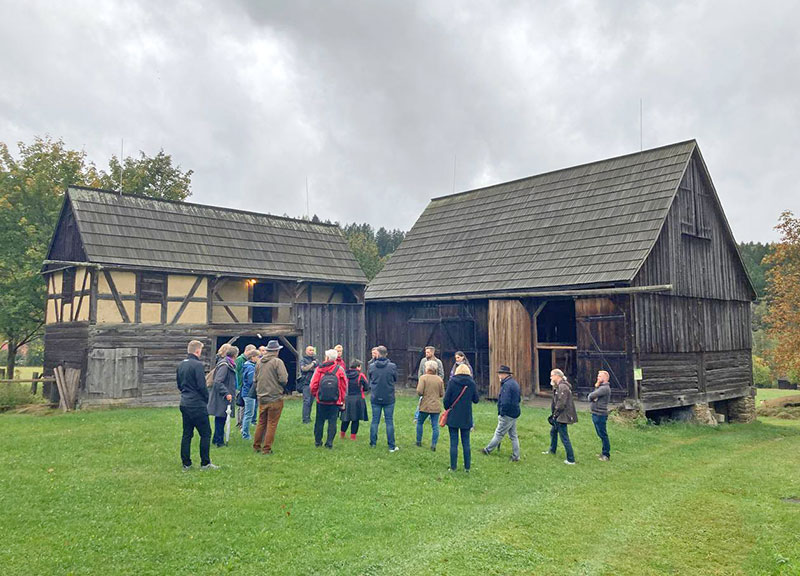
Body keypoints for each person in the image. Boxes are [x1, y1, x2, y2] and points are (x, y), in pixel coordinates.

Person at [177, 340, 217, 470]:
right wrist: (206, 398)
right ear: (198, 351)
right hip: (197, 403)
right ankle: (205, 462)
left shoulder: (181, 365)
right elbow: (202, 386)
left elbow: (179, 384)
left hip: (184, 402)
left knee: (187, 434)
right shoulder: (198, 365)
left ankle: (186, 463)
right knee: (205, 433)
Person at [253, 340, 288, 455]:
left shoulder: (259, 362)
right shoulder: (277, 362)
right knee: (272, 423)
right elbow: (283, 379)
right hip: (275, 397)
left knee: (261, 422)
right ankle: (267, 449)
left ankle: (256, 446)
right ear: (276, 351)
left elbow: (255, 379)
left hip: (262, 397)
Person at [443, 364, 480, 472]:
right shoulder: (471, 383)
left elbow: (446, 400)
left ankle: (453, 466)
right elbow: (476, 399)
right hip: (466, 416)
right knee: (466, 442)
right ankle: (467, 467)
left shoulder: (452, 382)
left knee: (453, 442)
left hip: (453, 415)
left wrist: (448, 408)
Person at [482, 365, 521, 462]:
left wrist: (502, 412)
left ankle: (487, 449)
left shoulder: (507, 385)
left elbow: (505, 401)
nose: (499, 375)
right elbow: (518, 399)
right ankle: (516, 456)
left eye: (500, 373)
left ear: (505, 374)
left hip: (507, 414)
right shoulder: (514, 383)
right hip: (514, 412)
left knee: (499, 433)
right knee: (513, 435)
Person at [310, 349, 348, 448]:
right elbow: (344, 386)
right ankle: (329, 443)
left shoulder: (319, 369)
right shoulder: (339, 369)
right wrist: (342, 399)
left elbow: (313, 384)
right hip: (334, 401)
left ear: (326, 358)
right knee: (332, 422)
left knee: (319, 421)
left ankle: (318, 442)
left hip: (321, 400)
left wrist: (316, 394)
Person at [543, 369, 577, 464]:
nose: (550, 377)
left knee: (564, 437)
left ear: (557, 376)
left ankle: (571, 459)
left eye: (552, 375)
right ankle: (552, 450)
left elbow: (561, 403)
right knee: (553, 432)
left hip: (562, 416)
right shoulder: (559, 386)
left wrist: (555, 414)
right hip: (559, 415)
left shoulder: (563, 387)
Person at [369, 346, 399, 452]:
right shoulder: (392, 366)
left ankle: (373, 443)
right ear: (386, 354)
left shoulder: (372, 366)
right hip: (388, 396)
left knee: (375, 420)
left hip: (375, 396)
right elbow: (396, 378)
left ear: (378, 354)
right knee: (389, 421)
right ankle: (391, 445)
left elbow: (370, 378)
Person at [208, 345, 237, 448]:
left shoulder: (228, 363)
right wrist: (226, 393)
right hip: (222, 397)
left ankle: (216, 439)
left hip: (223, 397)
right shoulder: (225, 365)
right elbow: (218, 381)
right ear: (235, 355)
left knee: (221, 419)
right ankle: (219, 442)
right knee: (220, 419)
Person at [416, 360, 444, 451]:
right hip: (435, 405)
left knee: (420, 422)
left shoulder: (423, 378)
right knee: (435, 426)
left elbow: (419, 391)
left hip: (425, 404)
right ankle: (433, 444)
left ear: (427, 368)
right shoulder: (439, 379)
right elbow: (441, 393)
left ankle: (418, 441)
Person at [340, 359, 369, 440]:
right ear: (358, 367)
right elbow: (367, 387)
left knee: (345, 418)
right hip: (357, 398)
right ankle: (353, 437)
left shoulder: (345, 374)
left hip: (347, 398)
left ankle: (342, 435)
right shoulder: (361, 375)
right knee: (355, 418)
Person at [588, 370, 612, 461]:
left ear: (605, 378)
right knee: (600, 434)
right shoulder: (600, 387)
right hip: (595, 413)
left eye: (600, 376)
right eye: (598, 376)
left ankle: (606, 454)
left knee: (603, 434)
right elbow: (593, 397)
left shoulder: (604, 388)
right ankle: (603, 452)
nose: (598, 377)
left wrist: (592, 397)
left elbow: (591, 396)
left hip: (600, 414)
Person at [235, 344, 257, 428]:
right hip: (241, 385)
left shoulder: (248, 362)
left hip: (244, 385)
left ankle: (244, 422)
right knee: (241, 405)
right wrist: (238, 385)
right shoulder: (240, 360)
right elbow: (236, 372)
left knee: (244, 406)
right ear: (247, 351)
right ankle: (240, 423)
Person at [240, 348, 259, 440]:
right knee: (249, 414)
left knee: (248, 413)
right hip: (249, 393)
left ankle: (244, 430)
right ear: (253, 357)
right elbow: (252, 381)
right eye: (258, 356)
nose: (259, 358)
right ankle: (245, 434)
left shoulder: (247, 366)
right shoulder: (250, 367)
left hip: (246, 392)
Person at [298, 346, 318, 424]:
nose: (311, 351)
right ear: (306, 351)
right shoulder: (303, 360)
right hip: (306, 383)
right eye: (310, 350)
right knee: (307, 401)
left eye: (313, 350)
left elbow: (318, 369)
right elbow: (304, 369)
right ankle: (305, 419)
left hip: (314, 383)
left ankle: (308, 418)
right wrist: (312, 364)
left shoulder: (316, 360)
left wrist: (310, 367)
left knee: (311, 401)